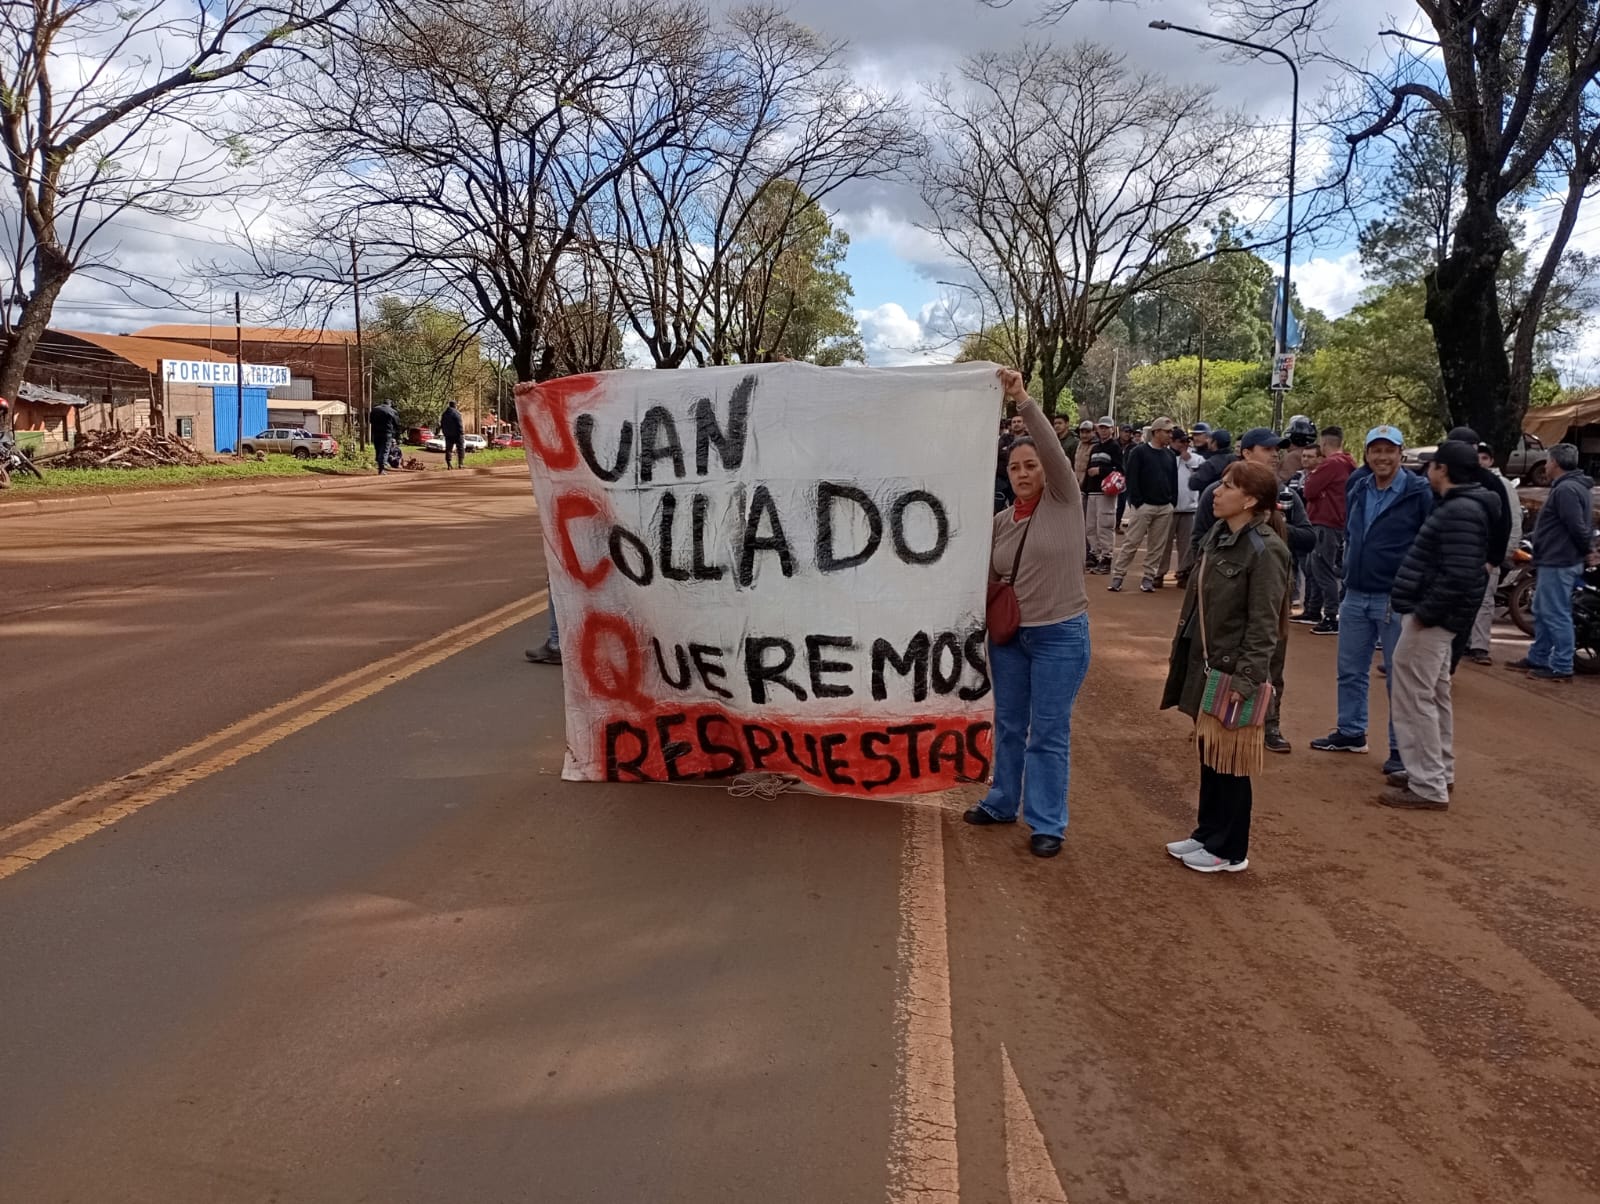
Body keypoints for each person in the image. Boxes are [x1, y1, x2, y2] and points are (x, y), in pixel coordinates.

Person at [964, 368, 1092, 859]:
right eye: (1014, 466)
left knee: (1049, 731)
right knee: (1011, 723)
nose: (1022, 472)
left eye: (1031, 465)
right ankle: (1001, 802)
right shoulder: (999, 521)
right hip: (1010, 638)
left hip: (1059, 635)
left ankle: (1047, 823)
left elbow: (1053, 452)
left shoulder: (1064, 500)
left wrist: (1021, 400)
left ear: (1047, 470)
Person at [1160, 461, 1292, 873]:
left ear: (1250, 500)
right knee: (1210, 750)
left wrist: (1247, 677)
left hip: (1234, 672)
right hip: (1207, 664)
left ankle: (1229, 848)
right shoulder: (1220, 536)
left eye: (1229, 487)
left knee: (1232, 760)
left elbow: (1265, 622)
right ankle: (1206, 832)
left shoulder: (1266, 550)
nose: (1217, 492)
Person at [1310, 426, 1434, 777]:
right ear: (1365, 453)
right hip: (1356, 593)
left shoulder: (1418, 491)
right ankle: (1350, 731)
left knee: (1400, 677)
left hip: (1395, 598)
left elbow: (1429, 543)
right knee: (1350, 670)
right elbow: (1351, 531)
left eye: (1389, 450)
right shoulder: (1360, 486)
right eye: (1375, 450)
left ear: (1400, 452)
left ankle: (1400, 748)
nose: (1382, 457)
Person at [1382, 441, 1493, 809]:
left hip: (1435, 617)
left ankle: (1428, 783)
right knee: (1432, 694)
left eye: (1432, 465)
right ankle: (1435, 771)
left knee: (1415, 696)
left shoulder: (1460, 510)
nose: (1427, 471)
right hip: (1442, 616)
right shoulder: (1465, 506)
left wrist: (1425, 613)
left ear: (1442, 470)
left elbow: (1460, 574)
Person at [1511, 443, 1597, 682]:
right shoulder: (1571, 487)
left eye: (1548, 461)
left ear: (1556, 464)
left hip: (1560, 560)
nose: (1546, 465)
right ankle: (1538, 656)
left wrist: (1588, 549)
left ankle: (1561, 665)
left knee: (1556, 613)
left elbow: (1577, 526)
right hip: (1555, 559)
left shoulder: (1566, 490)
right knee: (1542, 610)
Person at [1466, 440, 1523, 666]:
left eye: (1483, 457)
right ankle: (1466, 643)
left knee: (1484, 601)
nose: (1479, 461)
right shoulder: (1466, 480)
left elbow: (1512, 520)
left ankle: (1480, 646)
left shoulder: (1502, 485)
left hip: (1489, 554)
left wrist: (1500, 554)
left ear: (1490, 460)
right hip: (1467, 554)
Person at [1109, 416, 1178, 592]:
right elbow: (1132, 478)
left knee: (1157, 545)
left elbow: (1173, 480)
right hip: (1144, 505)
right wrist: (1137, 502)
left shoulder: (1170, 455)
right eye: (1167, 431)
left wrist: (1172, 502)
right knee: (1131, 542)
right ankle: (1118, 576)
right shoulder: (1139, 452)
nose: (1170, 435)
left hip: (1164, 506)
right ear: (1156, 432)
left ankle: (1148, 577)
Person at [1299, 426, 1356, 634]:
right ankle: (1317, 610)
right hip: (1335, 521)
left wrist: (1315, 479)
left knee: (1322, 569)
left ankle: (1331, 615)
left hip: (1326, 522)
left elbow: (1309, 490)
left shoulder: (1331, 464)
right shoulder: (1348, 462)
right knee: (1317, 567)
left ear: (1324, 444)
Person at [1165, 428, 1204, 586]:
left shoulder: (1197, 458)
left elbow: (1200, 475)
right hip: (1168, 508)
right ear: (1172, 441)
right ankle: (1159, 573)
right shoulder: (1166, 457)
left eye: (1187, 441)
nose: (1185, 444)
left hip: (1189, 508)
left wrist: (1187, 459)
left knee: (1186, 545)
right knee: (1163, 544)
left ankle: (1183, 573)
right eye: (1181, 441)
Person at [1082, 417, 1122, 573]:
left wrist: (1101, 471)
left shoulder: (1115, 447)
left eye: (1106, 428)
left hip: (1106, 492)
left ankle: (1106, 557)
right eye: (1101, 428)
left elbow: (1119, 469)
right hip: (1092, 491)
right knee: (1090, 526)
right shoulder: (1095, 448)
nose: (1103, 430)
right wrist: (1085, 489)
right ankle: (1095, 554)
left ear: (1112, 429)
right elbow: (1088, 468)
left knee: (1104, 525)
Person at [370, 399, 402, 474]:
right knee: (384, 450)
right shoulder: (392, 411)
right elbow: (397, 424)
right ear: (390, 404)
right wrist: (397, 435)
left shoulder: (375, 409)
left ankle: (379, 463)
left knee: (378, 449)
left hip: (376, 432)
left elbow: (370, 421)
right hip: (387, 434)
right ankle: (381, 469)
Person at [439, 399, 466, 469]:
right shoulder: (457, 413)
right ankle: (460, 464)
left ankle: (449, 464)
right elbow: (459, 424)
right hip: (457, 434)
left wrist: (445, 432)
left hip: (448, 435)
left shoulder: (444, 414)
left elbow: (441, 424)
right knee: (460, 448)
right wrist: (461, 432)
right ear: (455, 405)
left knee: (448, 449)